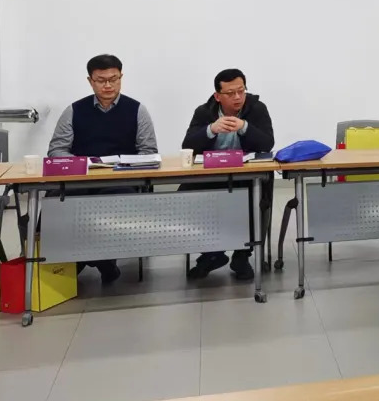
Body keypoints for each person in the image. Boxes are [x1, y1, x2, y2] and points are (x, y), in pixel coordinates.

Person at [47, 54, 158, 284]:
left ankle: (96, 259)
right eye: (101, 80)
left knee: (114, 202)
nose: (108, 85)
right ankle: (97, 261)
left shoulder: (137, 110)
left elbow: (148, 152)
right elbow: (57, 150)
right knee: (58, 201)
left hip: (121, 179)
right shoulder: (74, 110)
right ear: (90, 81)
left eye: (113, 79)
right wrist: (82, 164)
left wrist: (123, 165)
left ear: (121, 77)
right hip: (81, 179)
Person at [182, 69, 274, 281]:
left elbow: (267, 143)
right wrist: (211, 130)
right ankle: (212, 253)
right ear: (218, 96)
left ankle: (242, 254)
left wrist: (245, 127)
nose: (237, 97)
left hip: (247, 176)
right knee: (187, 195)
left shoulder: (257, 109)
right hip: (212, 177)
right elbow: (188, 146)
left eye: (241, 91)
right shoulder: (204, 112)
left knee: (254, 196)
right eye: (230, 93)